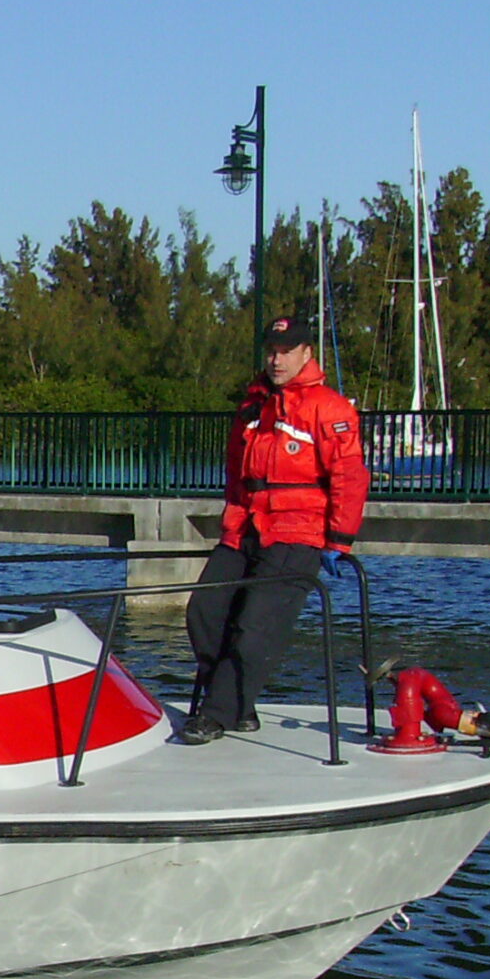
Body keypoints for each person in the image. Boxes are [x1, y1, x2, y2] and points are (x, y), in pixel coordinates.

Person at [180, 313, 369, 744]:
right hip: (246, 524)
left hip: (299, 528)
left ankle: (217, 714)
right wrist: (232, 516)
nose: (277, 360)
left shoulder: (329, 408)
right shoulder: (253, 405)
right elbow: (234, 467)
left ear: (307, 353)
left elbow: (349, 477)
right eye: (271, 351)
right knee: (204, 613)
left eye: (286, 352)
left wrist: (339, 539)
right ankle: (237, 703)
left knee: (256, 626)